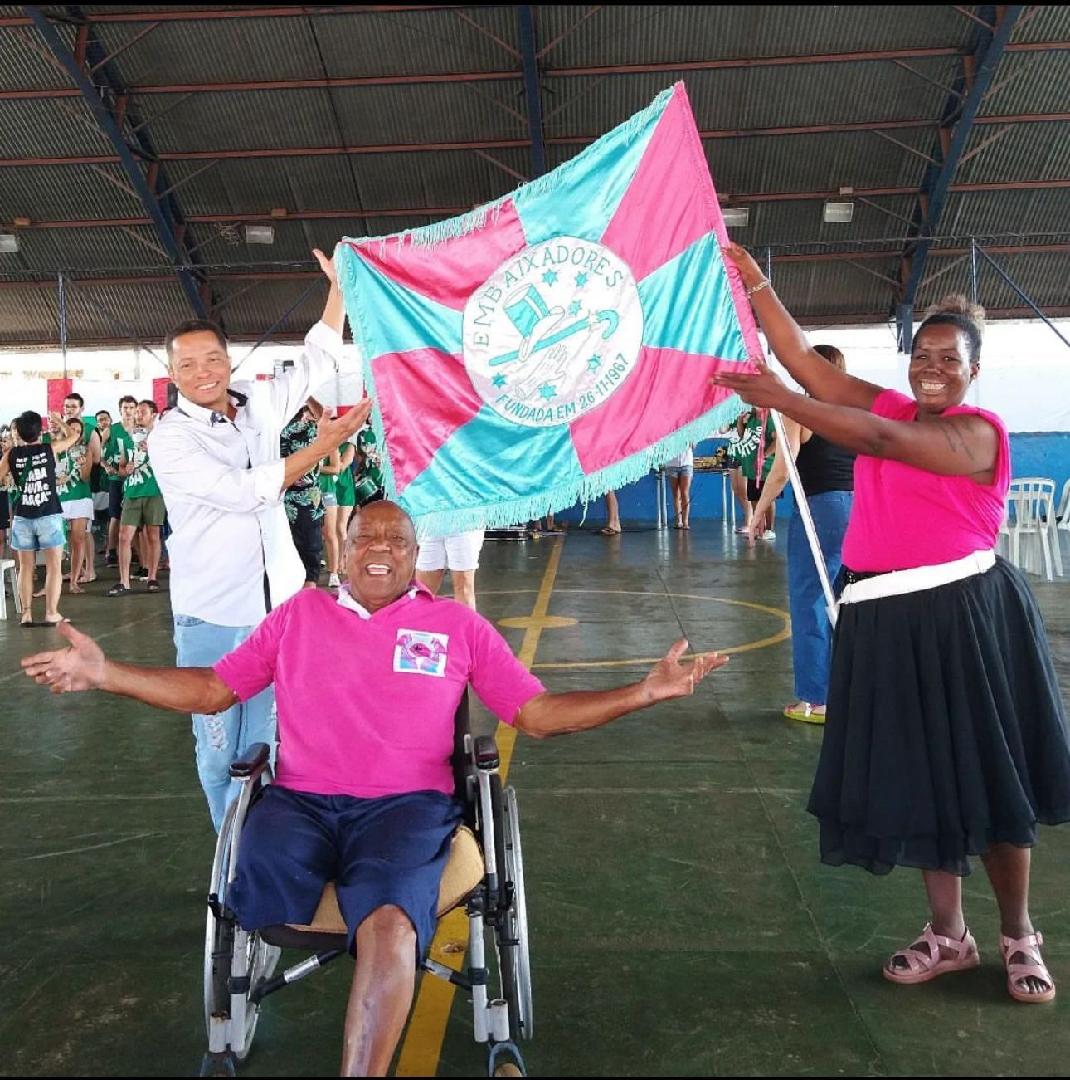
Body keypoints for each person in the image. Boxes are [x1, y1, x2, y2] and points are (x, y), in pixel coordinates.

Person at [21, 498, 728, 1075]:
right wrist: (104, 673)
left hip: (407, 811)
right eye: (366, 537)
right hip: (299, 804)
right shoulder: (298, 615)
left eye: (396, 538)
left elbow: (535, 715)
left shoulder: (457, 625)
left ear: (417, 556)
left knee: (390, 927)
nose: (380, 548)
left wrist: (643, 692)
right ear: (343, 549)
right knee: (256, 881)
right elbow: (213, 689)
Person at [714, 242, 1070, 1003]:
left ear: (974, 369)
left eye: (950, 357)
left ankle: (1018, 935)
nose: (933, 367)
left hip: (965, 618)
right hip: (887, 618)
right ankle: (948, 935)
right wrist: (759, 285)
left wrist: (779, 401)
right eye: (924, 355)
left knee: (992, 779)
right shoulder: (893, 401)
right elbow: (810, 365)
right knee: (920, 779)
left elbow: (871, 438)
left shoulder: (979, 434)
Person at [147, 248, 370, 831]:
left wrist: (339, 290)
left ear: (228, 359)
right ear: (173, 375)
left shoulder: (258, 404)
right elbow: (243, 491)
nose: (205, 373)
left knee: (270, 743)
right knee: (220, 750)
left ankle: (266, 850)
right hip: (213, 616)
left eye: (213, 359)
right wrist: (321, 449)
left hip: (281, 612)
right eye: (189, 365)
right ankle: (233, 861)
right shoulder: (170, 439)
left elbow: (317, 358)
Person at [746, 345, 855, 724]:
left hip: (820, 510)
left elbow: (783, 468)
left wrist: (760, 510)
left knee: (809, 598)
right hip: (855, 510)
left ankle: (815, 698)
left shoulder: (802, 413)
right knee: (846, 600)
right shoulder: (854, 414)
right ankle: (849, 691)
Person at [0, 410, 80, 625]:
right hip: (49, 515)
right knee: (54, 565)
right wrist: (59, 421)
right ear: (40, 430)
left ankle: (26, 613)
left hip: (22, 516)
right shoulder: (49, 448)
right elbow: (74, 436)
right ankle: (51, 613)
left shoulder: (11, 454)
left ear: (19, 432)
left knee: (25, 567)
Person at [110, 400, 166, 596]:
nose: (138, 415)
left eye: (143, 412)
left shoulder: (161, 438)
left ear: (154, 414)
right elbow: (122, 467)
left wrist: (153, 450)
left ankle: (152, 577)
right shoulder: (127, 439)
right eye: (137, 412)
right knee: (124, 536)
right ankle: (124, 581)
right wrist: (126, 469)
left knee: (153, 535)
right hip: (132, 492)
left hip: (154, 491)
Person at [280, 401, 326, 589]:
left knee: (300, 548)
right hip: (299, 498)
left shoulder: (281, 430)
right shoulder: (305, 429)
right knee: (309, 549)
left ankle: (306, 586)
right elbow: (323, 415)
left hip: (292, 497)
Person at [54, 415, 95, 594]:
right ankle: (53, 582)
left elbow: (86, 478)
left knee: (78, 540)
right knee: (55, 544)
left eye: (79, 431)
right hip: (60, 499)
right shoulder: (55, 448)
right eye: (72, 430)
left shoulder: (86, 450)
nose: (76, 435)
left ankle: (74, 581)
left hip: (80, 497)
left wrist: (84, 466)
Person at [101, 396, 138, 567]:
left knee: (134, 516)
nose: (128, 411)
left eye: (131, 407)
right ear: (120, 410)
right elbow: (96, 450)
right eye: (125, 407)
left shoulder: (140, 429)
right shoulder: (112, 429)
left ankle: (134, 550)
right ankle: (111, 550)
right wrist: (106, 465)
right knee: (115, 515)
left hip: (136, 478)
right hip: (116, 477)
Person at [415, 526, 484, 610]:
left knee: (463, 588)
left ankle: (465, 622)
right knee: (423, 591)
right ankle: (420, 623)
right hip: (430, 521)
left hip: (465, 522)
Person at [664, 446, 694, 529]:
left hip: (687, 463)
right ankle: (679, 521)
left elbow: (693, 446)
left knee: (685, 492)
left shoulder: (689, 433)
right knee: (676, 494)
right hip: (671, 464)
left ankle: (685, 521)